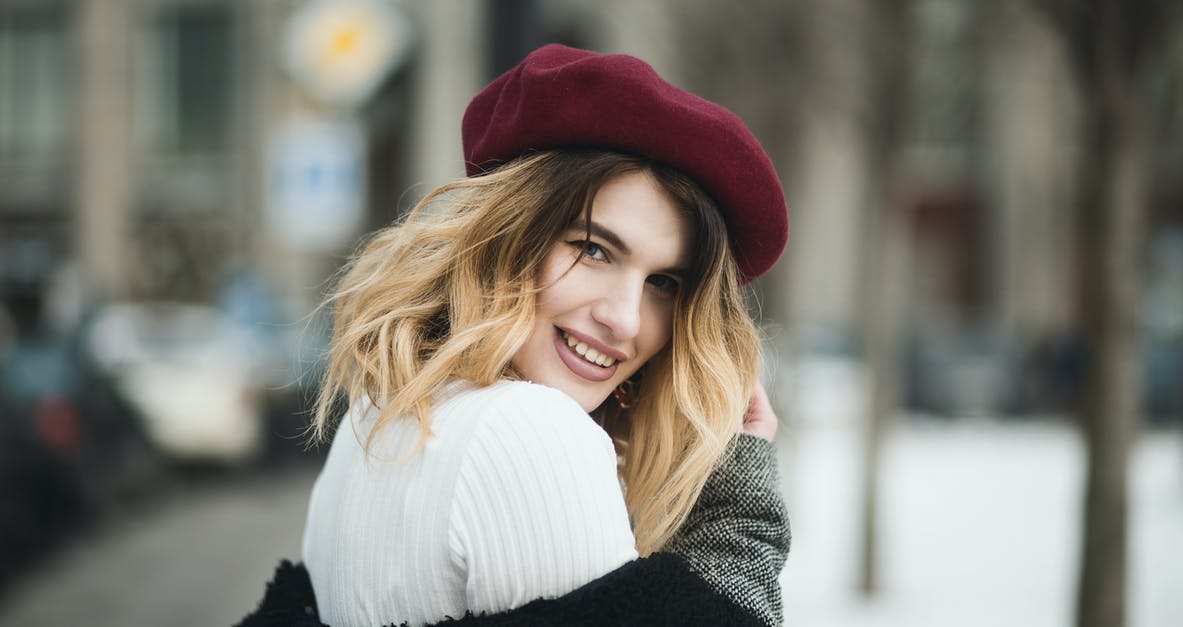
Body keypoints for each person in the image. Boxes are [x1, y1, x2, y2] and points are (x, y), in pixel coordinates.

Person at [237, 44, 790, 627]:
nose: (625, 319)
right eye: (593, 250)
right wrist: (739, 522)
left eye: (664, 283)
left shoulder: (375, 417)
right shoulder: (533, 432)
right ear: (506, 238)